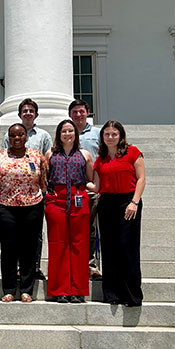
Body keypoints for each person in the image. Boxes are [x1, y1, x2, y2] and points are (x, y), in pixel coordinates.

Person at [89, 120, 146, 307]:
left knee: (127, 248)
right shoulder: (101, 159)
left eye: (114, 134)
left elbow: (141, 179)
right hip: (107, 204)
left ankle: (132, 296)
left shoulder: (133, 152)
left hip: (128, 202)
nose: (111, 137)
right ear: (102, 137)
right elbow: (96, 186)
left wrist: (134, 202)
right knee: (110, 249)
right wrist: (77, 182)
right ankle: (112, 294)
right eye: (107, 134)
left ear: (120, 136)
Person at [0, 123, 47, 302]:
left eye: (20, 135)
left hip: (32, 205)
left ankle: (26, 289)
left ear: (26, 136)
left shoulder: (37, 156)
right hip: (5, 206)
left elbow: (44, 180)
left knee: (28, 248)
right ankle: (8, 289)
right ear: (8, 137)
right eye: (13, 136)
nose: (17, 139)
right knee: (8, 247)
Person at [2, 98, 51, 280]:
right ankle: (15, 268)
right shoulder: (10, 135)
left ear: (36, 114)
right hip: (12, 194)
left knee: (35, 234)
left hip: (35, 193)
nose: (28, 113)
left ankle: (34, 267)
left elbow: (47, 163)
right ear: (20, 114)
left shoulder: (43, 136)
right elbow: (3, 160)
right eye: (25, 111)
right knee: (14, 234)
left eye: (31, 110)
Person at [45, 120, 93, 303]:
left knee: (79, 244)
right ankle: (60, 290)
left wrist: (96, 187)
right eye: (64, 131)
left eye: (70, 130)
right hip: (56, 199)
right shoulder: (50, 154)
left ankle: (77, 289)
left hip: (78, 198)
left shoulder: (84, 154)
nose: (67, 134)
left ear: (76, 133)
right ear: (59, 134)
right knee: (58, 244)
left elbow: (89, 178)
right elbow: (45, 178)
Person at [69, 99, 102, 281]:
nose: (78, 115)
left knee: (92, 230)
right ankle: (74, 264)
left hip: (92, 189)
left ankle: (91, 265)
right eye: (75, 112)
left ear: (87, 112)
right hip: (72, 190)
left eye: (81, 111)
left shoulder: (97, 133)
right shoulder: (67, 133)